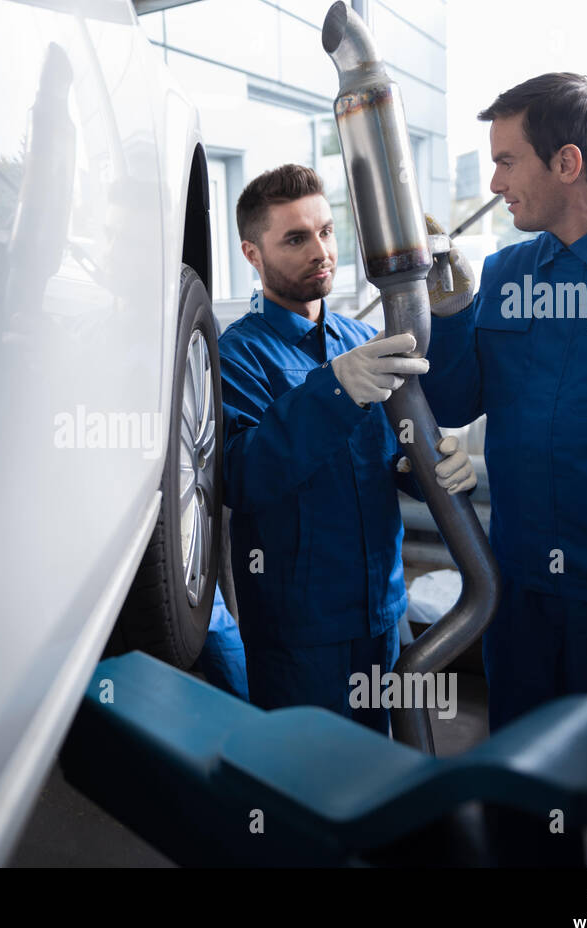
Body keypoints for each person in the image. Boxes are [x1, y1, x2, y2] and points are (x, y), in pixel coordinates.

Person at [420, 73, 587, 732]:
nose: (495, 183)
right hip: (519, 590)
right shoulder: (505, 274)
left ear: (567, 163)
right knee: (521, 782)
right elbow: (452, 400)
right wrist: (448, 310)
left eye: (506, 161)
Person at [219, 164, 477, 733]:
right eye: (295, 238)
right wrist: (333, 392)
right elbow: (242, 476)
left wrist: (434, 465)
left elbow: (390, 462)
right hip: (298, 631)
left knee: (386, 766)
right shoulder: (237, 355)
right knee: (309, 785)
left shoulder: (364, 343)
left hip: (384, 609)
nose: (321, 251)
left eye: (327, 231)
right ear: (252, 253)